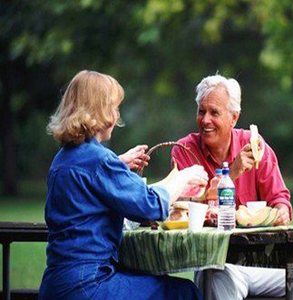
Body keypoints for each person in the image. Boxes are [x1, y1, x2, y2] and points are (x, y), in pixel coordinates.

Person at [171, 74, 293, 300]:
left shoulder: (256, 147)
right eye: (201, 111)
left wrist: (280, 213)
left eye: (214, 112)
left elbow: (280, 200)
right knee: (219, 280)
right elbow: (186, 210)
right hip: (219, 264)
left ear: (234, 118)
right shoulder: (184, 150)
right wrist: (234, 172)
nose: (205, 119)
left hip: (266, 267)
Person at [39, 70, 208, 300]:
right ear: (101, 111)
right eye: (114, 107)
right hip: (88, 286)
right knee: (184, 292)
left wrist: (118, 163)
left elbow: (87, 183)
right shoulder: (100, 161)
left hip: (55, 284)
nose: (117, 115)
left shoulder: (63, 159)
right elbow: (151, 205)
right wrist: (185, 176)